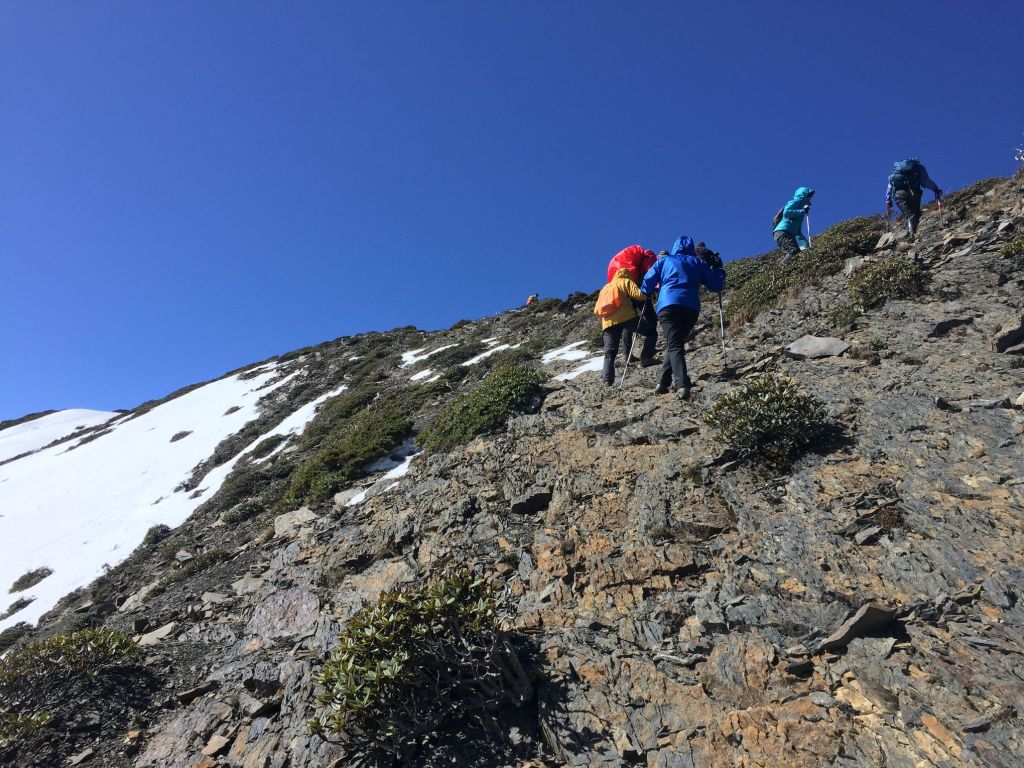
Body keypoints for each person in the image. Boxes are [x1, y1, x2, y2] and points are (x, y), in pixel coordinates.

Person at [641, 235, 725, 399]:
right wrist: (719, 270)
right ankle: (663, 383)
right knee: (676, 343)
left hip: (667, 306)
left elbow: (647, 283)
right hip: (690, 308)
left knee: (674, 345)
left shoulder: (664, 261)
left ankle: (681, 384)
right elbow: (715, 285)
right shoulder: (697, 262)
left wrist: (646, 291)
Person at [606, 246, 659, 366]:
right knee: (651, 317)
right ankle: (647, 353)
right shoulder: (648, 256)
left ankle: (627, 354)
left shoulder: (627, 260)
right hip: (637, 289)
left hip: (624, 293)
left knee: (628, 320)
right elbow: (649, 273)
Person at [597, 268, 647, 386]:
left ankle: (607, 380)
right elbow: (639, 295)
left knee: (610, 352)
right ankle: (646, 357)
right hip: (626, 317)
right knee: (650, 332)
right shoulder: (626, 281)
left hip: (607, 322)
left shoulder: (606, 287)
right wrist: (647, 292)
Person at [886, 159, 942, 237]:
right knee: (916, 214)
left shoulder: (896, 170)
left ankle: (911, 234)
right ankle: (914, 233)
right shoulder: (919, 167)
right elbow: (925, 181)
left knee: (909, 214)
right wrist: (935, 189)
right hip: (914, 193)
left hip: (899, 195)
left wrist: (888, 202)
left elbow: (890, 186)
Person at [773, 187, 815, 260]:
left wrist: (806, 246)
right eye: (809, 196)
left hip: (786, 233)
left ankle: (784, 267)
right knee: (793, 251)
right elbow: (787, 212)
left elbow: (798, 233)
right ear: (803, 195)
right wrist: (802, 211)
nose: (810, 198)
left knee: (796, 252)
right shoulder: (796, 202)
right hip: (782, 231)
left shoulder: (800, 211)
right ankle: (781, 268)